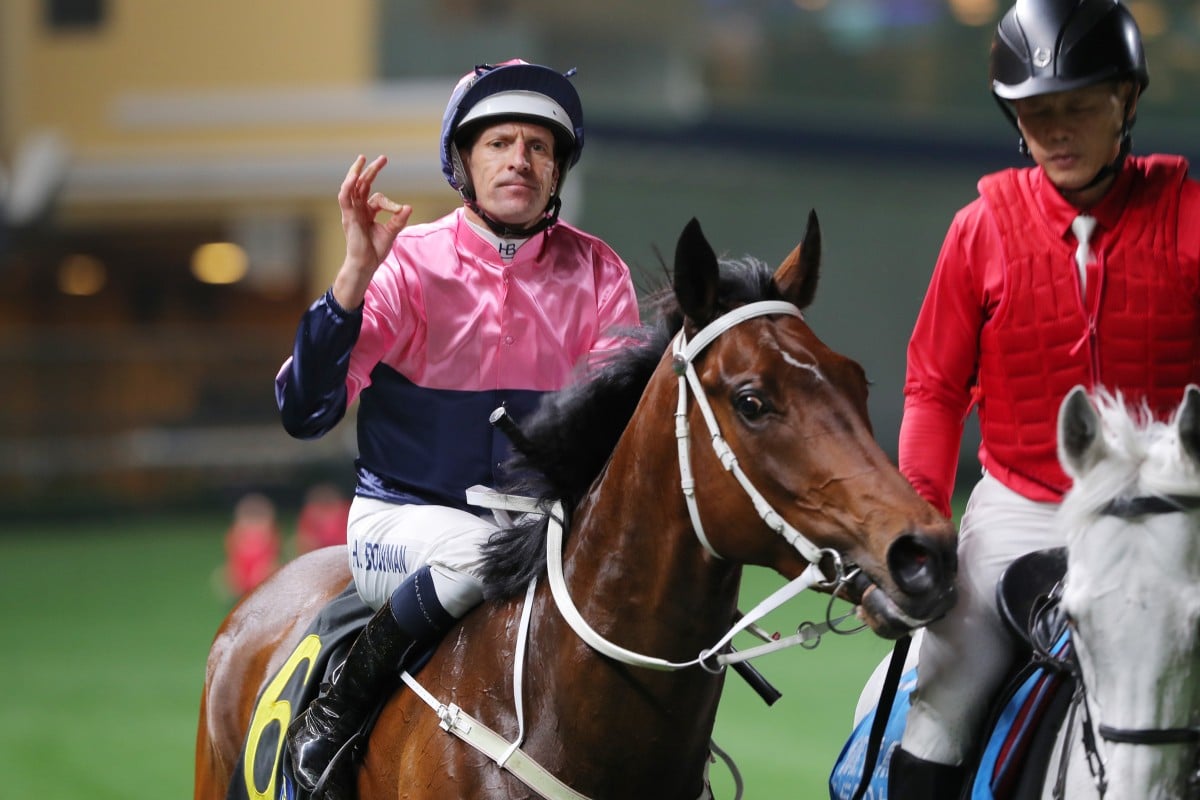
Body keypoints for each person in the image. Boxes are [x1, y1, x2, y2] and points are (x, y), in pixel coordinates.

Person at [274, 59, 640, 797]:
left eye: (539, 146)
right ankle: (336, 711)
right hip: (401, 521)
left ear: (558, 168)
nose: (520, 159)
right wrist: (352, 278)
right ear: (462, 163)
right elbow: (305, 412)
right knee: (479, 553)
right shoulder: (403, 267)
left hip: (545, 533)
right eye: (499, 142)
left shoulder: (602, 275)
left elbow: (616, 433)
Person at [890, 1, 1200, 796]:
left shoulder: (1193, 223)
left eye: (1077, 108)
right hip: (1024, 506)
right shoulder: (978, 231)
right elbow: (932, 390)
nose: (1056, 132)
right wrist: (923, 517)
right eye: (1036, 115)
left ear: (1126, 103)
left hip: (1172, 505)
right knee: (944, 699)